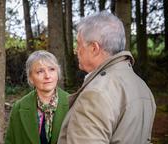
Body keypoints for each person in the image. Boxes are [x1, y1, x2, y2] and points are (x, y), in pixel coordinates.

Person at [58, 11, 156, 144]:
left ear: (94, 48)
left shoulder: (96, 94)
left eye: (79, 44)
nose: (76, 50)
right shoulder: (142, 86)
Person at [5, 50, 69, 144]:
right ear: (31, 78)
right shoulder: (18, 108)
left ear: (57, 73)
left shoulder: (73, 103)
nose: (47, 76)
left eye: (52, 69)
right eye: (40, 71)